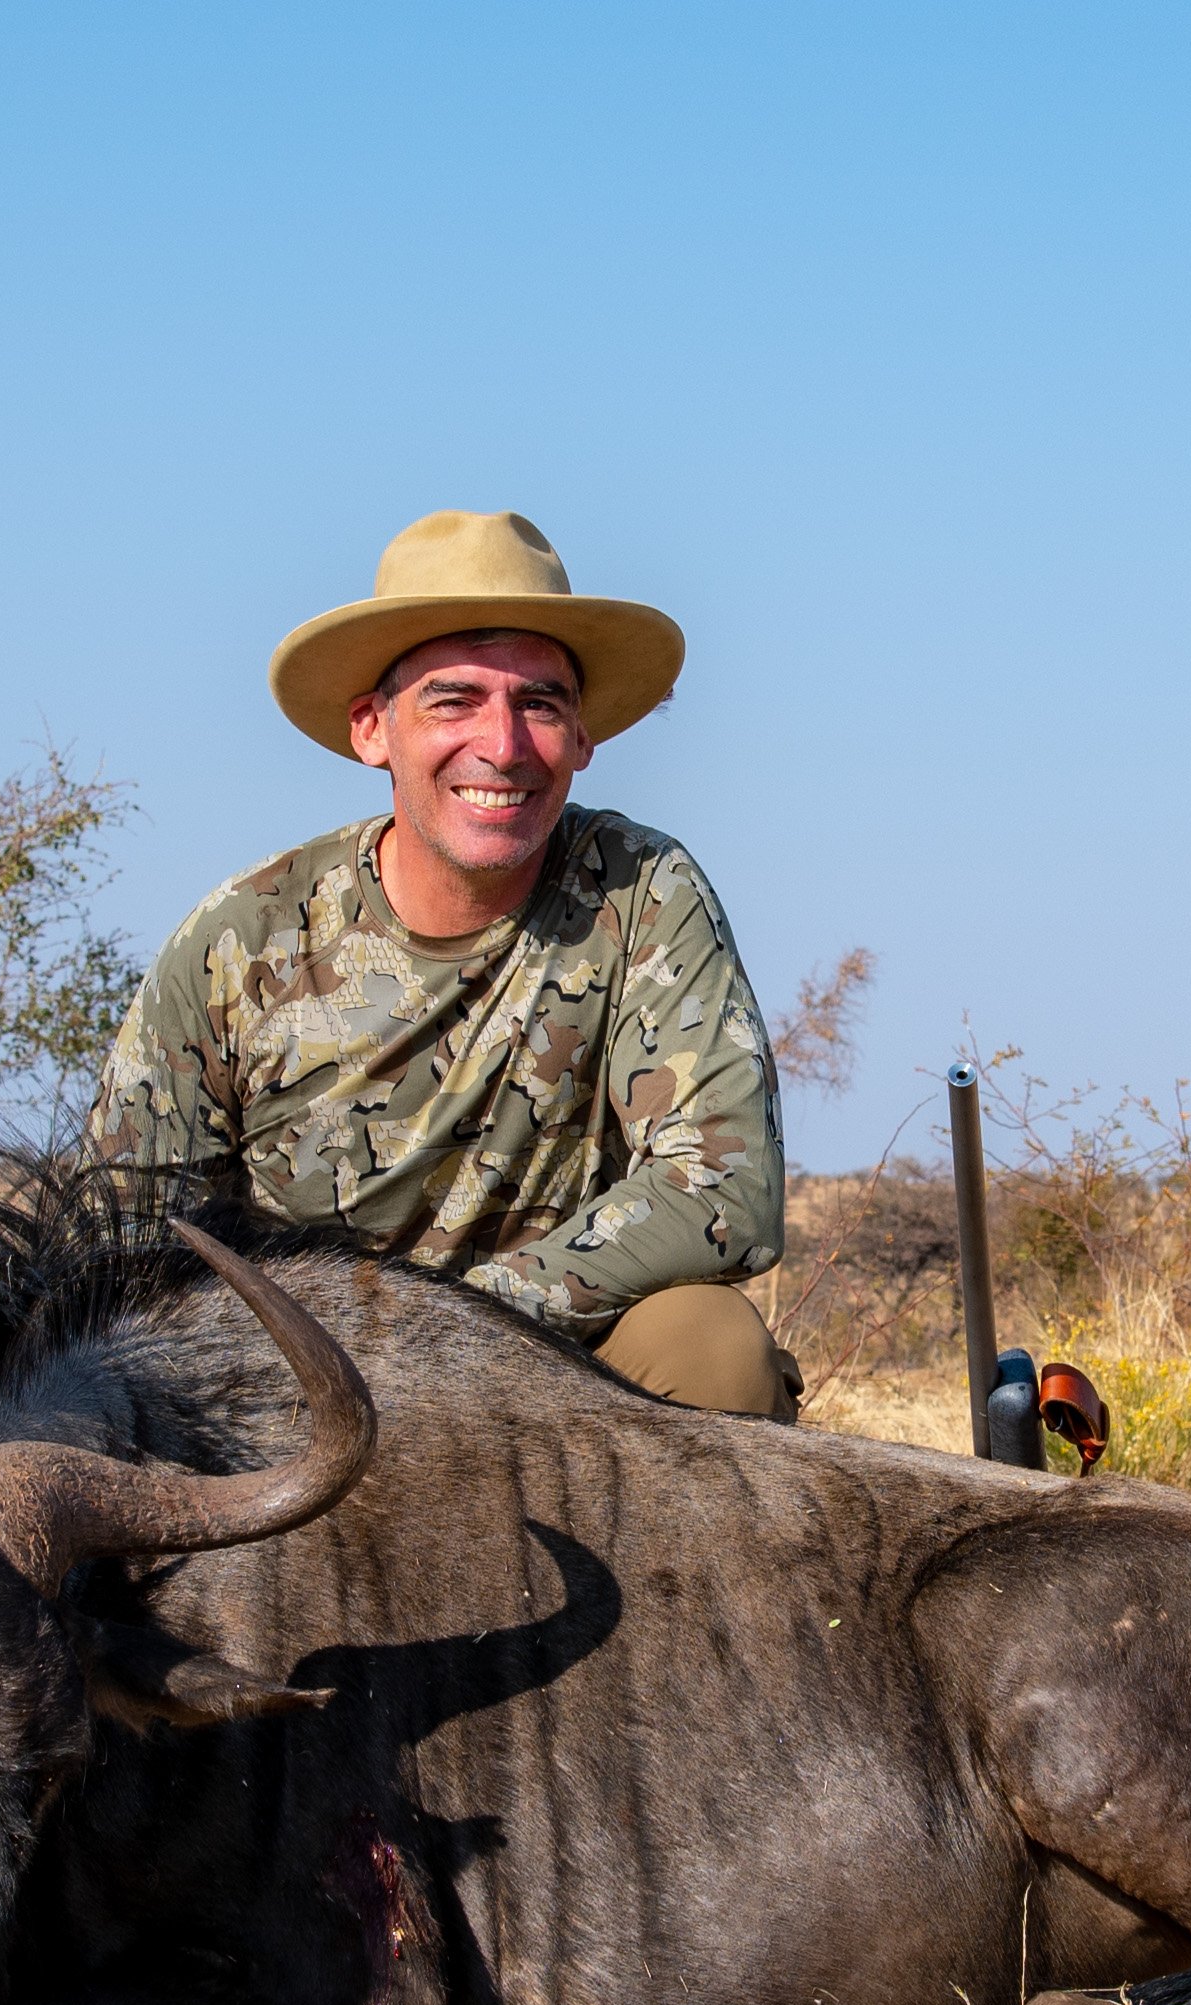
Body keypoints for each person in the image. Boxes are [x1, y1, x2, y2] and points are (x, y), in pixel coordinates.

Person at [87, 509, 794, 1415]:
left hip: (548, 1374)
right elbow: (122, 1237)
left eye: (539, 703)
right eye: (454, 700)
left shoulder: (641, 888)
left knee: (712, 1347)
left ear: (583, 739)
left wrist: (456, 1333)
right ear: (372, 730)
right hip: (298, 1396)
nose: (502, 746)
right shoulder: (239, 939)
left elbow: (724, 1188)